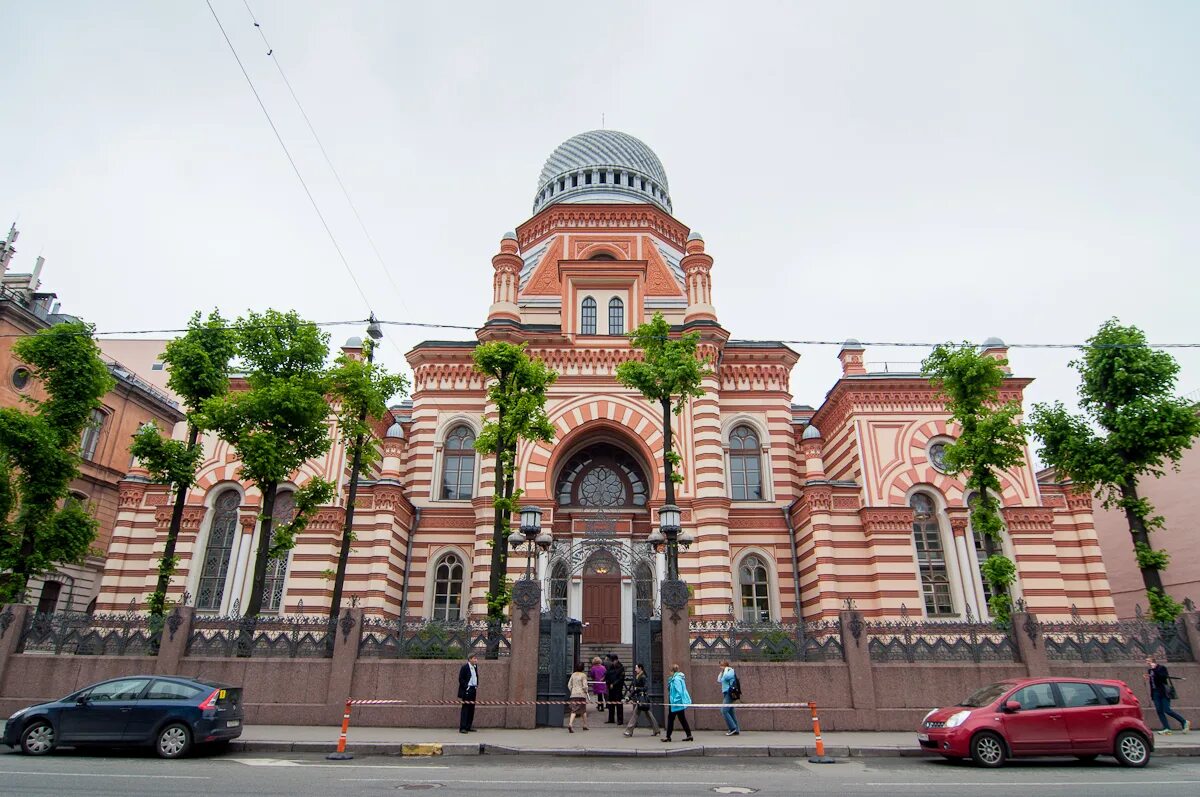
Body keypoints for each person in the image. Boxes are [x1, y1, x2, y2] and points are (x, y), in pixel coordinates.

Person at [1145, 655, 1190, 735]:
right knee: (1159, 711)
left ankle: (1184, 721)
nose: (1147, 663)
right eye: (1147, 661)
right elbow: (1152, 683)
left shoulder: (1161, 668)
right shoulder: (1150, 671)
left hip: (1163, 692)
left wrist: (1155, 669)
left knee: (1167, 710)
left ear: (1153, 661)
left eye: (1149, 661)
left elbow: (1163, 677)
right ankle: (1167, 728)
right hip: (1155, 693)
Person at [623, 662, 660, 737]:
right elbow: (635, 690)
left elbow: (645, 688)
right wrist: (629, 696)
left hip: (642, 699)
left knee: (635, 714)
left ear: (640, 668)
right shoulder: (638, 676)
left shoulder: (642, 677)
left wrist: (636, 690)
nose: (635, 669)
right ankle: (656, 730)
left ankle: (629, 731)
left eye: (636, 668)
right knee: (648, 715)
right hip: (641, 698)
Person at [662, 663, 694, 742]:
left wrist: (675, 701)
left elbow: (679, 691)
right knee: (682, 719)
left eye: (670, 671)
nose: (669, 673)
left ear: (672, 671)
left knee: (671, 718)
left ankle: (668, 737)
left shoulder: (676, 679)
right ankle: (689, 735)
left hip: (676, 703)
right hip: (678, 703)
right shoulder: (677, 678)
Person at [566, 661, 591, 733]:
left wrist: (572, 690)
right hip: (581, 695)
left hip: (573, 694)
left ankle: (571, 724)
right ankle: (584, 725)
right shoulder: (583, 675)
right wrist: (586, 691)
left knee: (574, 710)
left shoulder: (573, 675)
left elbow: (569, 685)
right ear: (583, 668)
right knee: (583, 710)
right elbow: (585, 686)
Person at [457, 653, 479, 734]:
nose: (476, 660)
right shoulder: (465, 667)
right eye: (474, 658)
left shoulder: (475, 667)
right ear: (470, 659)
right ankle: (462, 727)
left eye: (476, 658)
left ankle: (468, 726)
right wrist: (466, 687)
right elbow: (461, 679)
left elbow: (475, 677)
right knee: (465, 709)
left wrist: (476, 686)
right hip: (467, 690)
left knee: (471, 708)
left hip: (473, 689)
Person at [718, 659, 740, 736]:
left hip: (730, 693)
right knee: (731, 711)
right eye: (720, 665)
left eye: (722, 665)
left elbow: (726, 678)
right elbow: (719, 680)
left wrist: (726, 669)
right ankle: (736, 729)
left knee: (723, 710)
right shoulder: (724, 672)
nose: (721, 667)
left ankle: (733, 728)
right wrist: (722, 672)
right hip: (725, 693)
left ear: (726, 665)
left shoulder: (730, 671)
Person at [605, 654, 626, 725]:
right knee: (611, 704)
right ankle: (611, 719)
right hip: (610, 688)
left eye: (613, 661)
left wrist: (613, 684)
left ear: (616, 660)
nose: (612, 662)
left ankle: (620, 720)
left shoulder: (621, 667)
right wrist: (607, 682)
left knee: (618, 704)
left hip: (617, 688)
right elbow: (607, 675)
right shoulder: (611, 667)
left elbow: (621, 678)